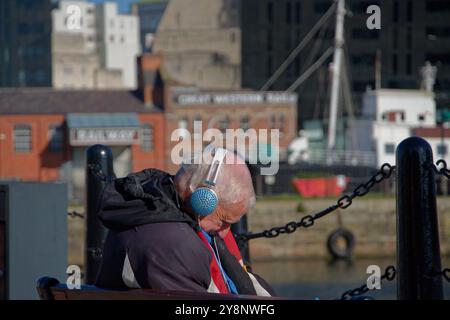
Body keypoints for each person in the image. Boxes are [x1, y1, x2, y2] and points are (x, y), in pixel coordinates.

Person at [95, 147, 275, 296]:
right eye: (223, 221)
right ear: (203, 199)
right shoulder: (171, 245)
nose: (226, 233)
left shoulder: (160, 212)